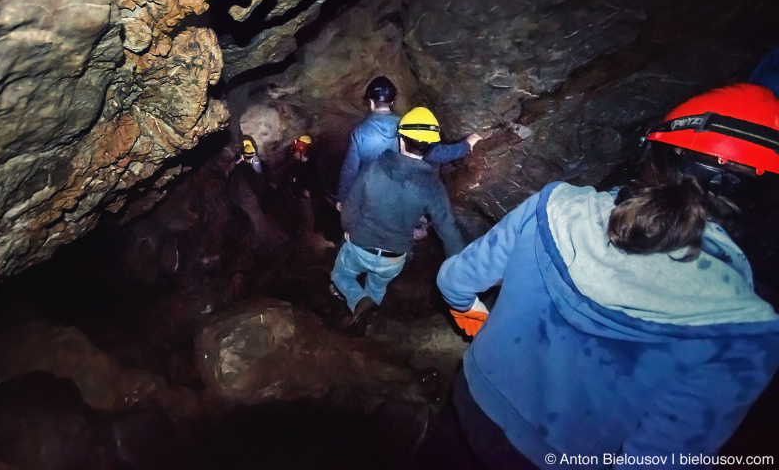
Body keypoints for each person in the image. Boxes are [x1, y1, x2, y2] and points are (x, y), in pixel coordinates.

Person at [429, 83, 779, 469]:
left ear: (653, 154)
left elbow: (454, 282)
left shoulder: (553, 206)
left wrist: (474, 316)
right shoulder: (747, 332)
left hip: (472, 402)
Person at [332, 107, 468, 330]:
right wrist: (463, 271)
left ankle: (358, 302)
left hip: (360, 245)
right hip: (393, 258)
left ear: (401, 138)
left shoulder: (374, 168)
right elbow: (449, 230)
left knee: (341, 275)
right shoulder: (433, 186)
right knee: (376, 287)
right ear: (432, 145)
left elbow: (350, 208)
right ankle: (365, 324)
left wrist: (348, 229)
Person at [336, 76, 483, 206]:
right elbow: (435, 153)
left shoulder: (360, 132)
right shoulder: (408, 126)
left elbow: (350, 169)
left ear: (371, 102)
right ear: (392, 101)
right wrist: (466, 145)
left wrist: (342, 198)